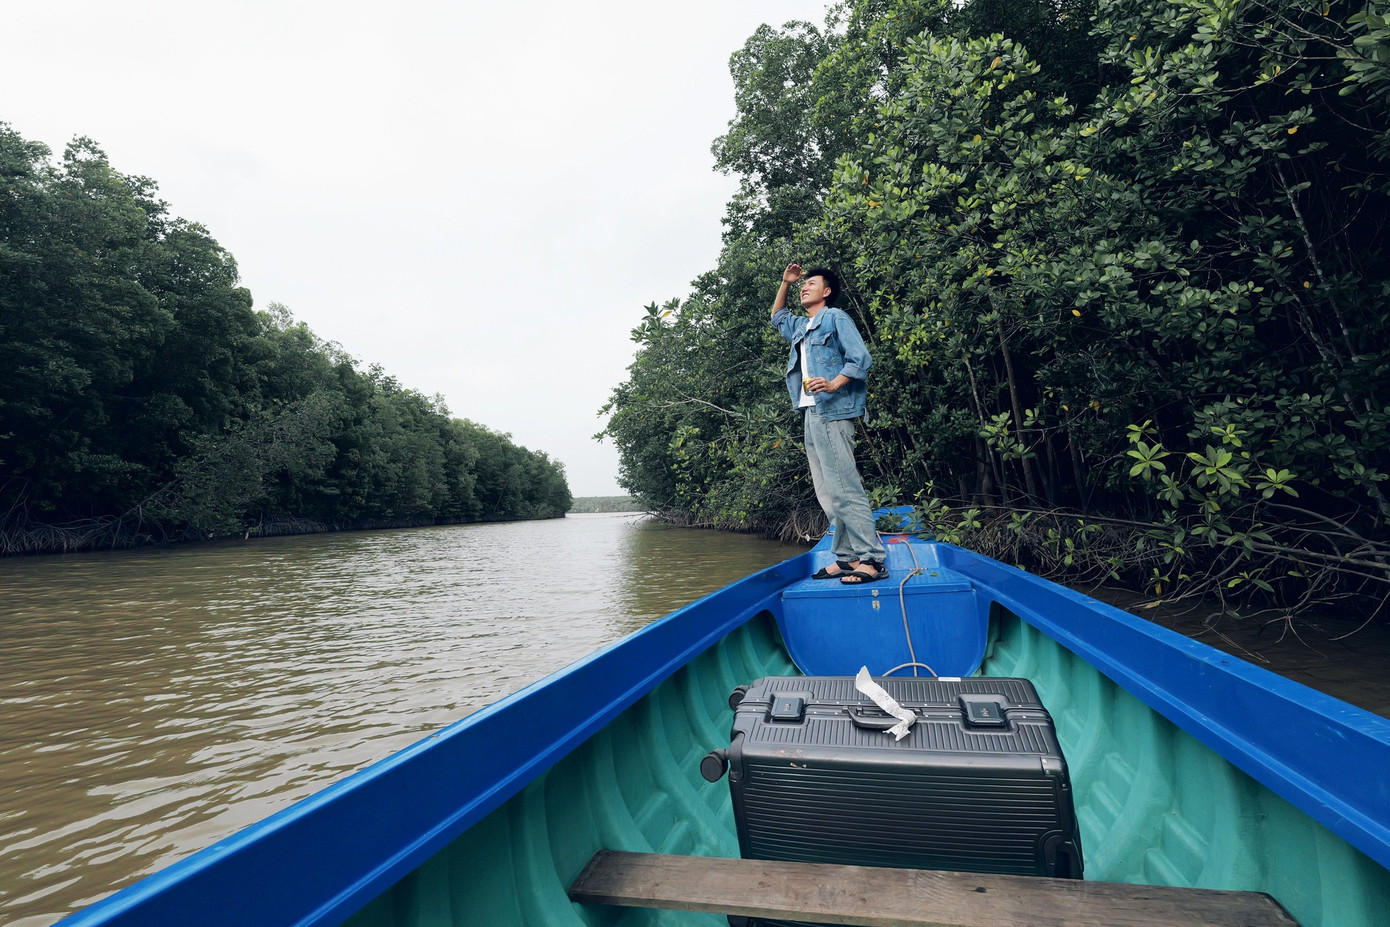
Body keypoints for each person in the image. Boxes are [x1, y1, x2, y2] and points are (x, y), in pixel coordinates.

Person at [771, 263, 888, 583]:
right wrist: (785, 282)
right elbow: (776, 317)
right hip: (811, 415)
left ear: (827, 292)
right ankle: (848, 557)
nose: (803, 287)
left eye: (811, 283)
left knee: (845, 489)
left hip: (833, 412)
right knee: (827, 493)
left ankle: (873, 560)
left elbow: (861, 358)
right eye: (801, 284)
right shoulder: (801, 326)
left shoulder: (835, 317)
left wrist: (835, 383)